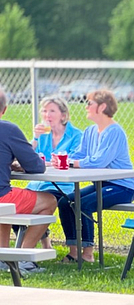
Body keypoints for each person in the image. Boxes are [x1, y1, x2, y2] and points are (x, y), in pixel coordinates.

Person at [56, 90, 134, 263]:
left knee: (84, 204)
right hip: (102, 184)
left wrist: (73, 163)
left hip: (122, 187)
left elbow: (100, 161)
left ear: (102, 107)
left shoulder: (114, 132)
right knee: (65, 202)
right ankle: (74, 251)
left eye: (90, 103)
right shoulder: (90, 131)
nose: (86, 107)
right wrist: (61, 159)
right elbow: (79, 155)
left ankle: (88, 254)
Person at [0, 87, 58, 273]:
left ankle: (3, 257)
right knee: (49, 200)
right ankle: (24, 258)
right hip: (1, 196)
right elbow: (36, 166)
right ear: (4, 109)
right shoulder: (8, 129)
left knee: (7, 206)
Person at [24, 96, 82, 249]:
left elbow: (72, 161)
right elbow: (27, 157)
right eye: (44, 111)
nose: (47, 115)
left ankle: (30, 249)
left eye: (52, 111)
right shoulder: (42, 135)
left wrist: (45, 163)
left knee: (47, 203)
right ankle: (44, 245)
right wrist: (35, 138)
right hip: (37, 184)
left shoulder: (76, 135)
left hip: (61, 186)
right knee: (16, 206)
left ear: (63, 115)